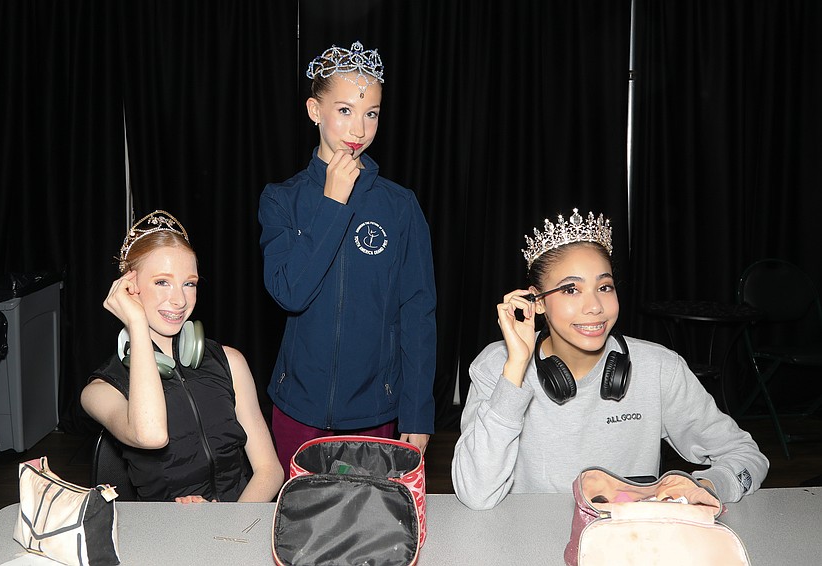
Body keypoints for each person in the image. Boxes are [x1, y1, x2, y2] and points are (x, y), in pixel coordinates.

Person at [451, 208, 769, 510]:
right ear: (537, 303)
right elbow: (476, 494)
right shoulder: (497, 366)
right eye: (571, 290)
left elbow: (746, 457)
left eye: (604, 287)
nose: (595, 306)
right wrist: (516, 370)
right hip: (527, 542)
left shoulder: (658, 369)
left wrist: (707, 487)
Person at [258, 41, 437, 478]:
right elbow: (289, 293)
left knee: (366, 532)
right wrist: (333, 204)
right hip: (296, 410)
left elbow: (417, 313)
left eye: (371, 113)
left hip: (374, 413)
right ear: (314, 110)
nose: (359, 127)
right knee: (300, 531)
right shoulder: (280, 199)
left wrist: (417, 411)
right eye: (344, 110)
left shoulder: (400, 206)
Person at [81, 210, 284, 503]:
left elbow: (269, 470)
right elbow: (151, 435)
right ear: (130, 287)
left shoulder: (230, 362)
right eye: (162, 282)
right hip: (167, 531)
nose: (180, 299)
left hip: (240, 518)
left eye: (189, 283)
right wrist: (136, 324)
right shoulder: (101, 390)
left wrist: (228, 523)